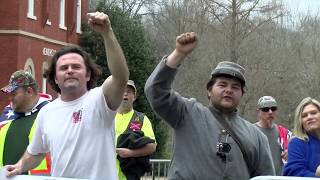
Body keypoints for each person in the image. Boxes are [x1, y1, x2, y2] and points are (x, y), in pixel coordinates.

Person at [5, 11, 129, 179]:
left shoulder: (100, 99)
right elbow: (35, 152)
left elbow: (120, 77)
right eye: (64, 68)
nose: (70, 70)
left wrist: (107, 33)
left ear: (88, 75)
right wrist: (19, 166)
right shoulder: (47, 112)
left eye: (76, 67)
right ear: (55, 78)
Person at [144, 32, 275, 179]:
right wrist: (179, 53)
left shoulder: (257, 137)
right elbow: (155, 90)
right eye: (222, 85)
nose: (228, 90)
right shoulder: (186, 113)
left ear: (242, 94)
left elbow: (265, 177)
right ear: (209, 91)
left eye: (235, 87)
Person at [0, 70, 51, 175]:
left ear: (29, 91)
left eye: (14, 94)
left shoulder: (50, 113)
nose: (10, 98)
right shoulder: (6, 115)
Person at [115, 80, 156, 180]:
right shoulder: (107, 116)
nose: (125, 93)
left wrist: (130, 153)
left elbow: (152, 146)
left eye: (129, 91)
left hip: (129, 176)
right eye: (122, 91)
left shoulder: (141, 119)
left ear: (134, 97)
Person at [283, 97, 320, 177]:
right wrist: (317, 176)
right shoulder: (297, 143)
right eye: (304, 116)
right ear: (300, 121)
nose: (309, 117)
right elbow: (294, 172)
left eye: (313, 113)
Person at [255, 96, 292, 175]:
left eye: (273, 108)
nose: (270, 112)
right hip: (259, 177)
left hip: (280, 177)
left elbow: (298, 147)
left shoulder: (284, 133)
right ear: (258, 112)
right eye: (265, 109)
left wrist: (291, 150)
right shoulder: (251, 131)